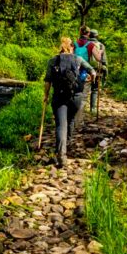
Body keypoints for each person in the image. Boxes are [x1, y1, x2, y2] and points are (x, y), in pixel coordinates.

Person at [43, 36, 95, 167]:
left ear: (60, 47)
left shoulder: (53, 60)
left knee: (61, 124)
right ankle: (66, 145)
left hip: (59, 97)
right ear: (72, 47)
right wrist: (91, 79)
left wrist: (46, 95)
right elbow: (92, 71)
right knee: (71, 120)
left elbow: (47, 81)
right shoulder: (78, 59)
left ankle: (61, 154)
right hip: (76, 97)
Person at [88, 29, 108, 114]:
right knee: (95, 89)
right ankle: (92, 109)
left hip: (85, 69)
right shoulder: (100, 45)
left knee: (81, 90)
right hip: (97, 69)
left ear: (89, 35)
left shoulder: (85, 44)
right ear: (97, 36)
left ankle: (78, 109)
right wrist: (104, 67)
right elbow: (103, 60)